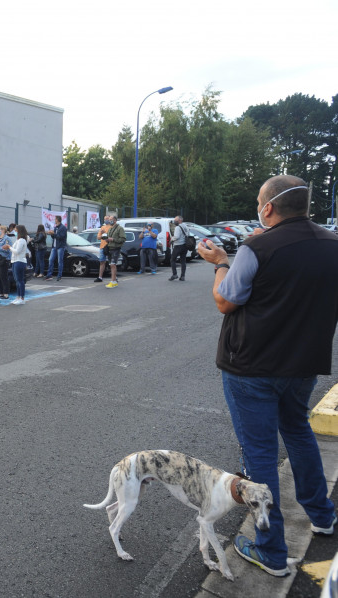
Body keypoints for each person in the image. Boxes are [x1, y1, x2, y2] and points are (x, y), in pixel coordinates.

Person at [197, 175, 338, 577]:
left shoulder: (257, 246)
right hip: (303, 364)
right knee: (297, 431)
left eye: (259, 201)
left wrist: (221, 263)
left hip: (252, 367)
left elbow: (226, 301)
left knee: (258, 455)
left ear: (269, 207)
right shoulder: (332, 244)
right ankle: (323, 515)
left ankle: (271, 551)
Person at [103, 215, 126, 288]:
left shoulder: (120, 228)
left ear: (115, 220)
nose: (109, 221)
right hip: (110, 248)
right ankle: (114, 279)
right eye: (109, 219)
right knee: (111, 265)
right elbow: (108, 238)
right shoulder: (110, 229)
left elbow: (123, 239)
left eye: (111, 219)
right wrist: (106, 239)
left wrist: (113, 239)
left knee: (113, 264)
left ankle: (113, 281)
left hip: (116, 248)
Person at [10, 224, 30, 304]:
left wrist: (9, 247)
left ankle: (21, 298)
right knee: (17, 280)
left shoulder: (22, 240)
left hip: (19, 261)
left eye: (16, 229)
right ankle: (18, 296)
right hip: (15, 261)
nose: (15, 231)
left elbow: (17, 251)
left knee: (20, 280)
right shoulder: (18, 240)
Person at [45, 216, 67, 281]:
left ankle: (59, 275)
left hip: (60, 246)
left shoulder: (63, 228)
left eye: (55, 219)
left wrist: (53, 234)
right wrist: (51, 234)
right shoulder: (55, 227)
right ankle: (49, 275)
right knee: (50, 260)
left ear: (57, 220)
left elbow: (61, 237)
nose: (54, 220)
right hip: (54, 246)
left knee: (60, 261)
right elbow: (54, 237)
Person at [169, 215, 189, 281]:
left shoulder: (177, 227)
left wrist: (171, 239)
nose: (175, 221)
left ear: (180, 220)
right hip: (185, 245)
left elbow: (176, 236)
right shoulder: (185, 226)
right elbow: (188, 234)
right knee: (183, 261)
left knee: (172, 260)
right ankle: (182, 276)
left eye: (176, 220)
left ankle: (174, 274)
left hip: (178, 245)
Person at [94, 216, 112, 283]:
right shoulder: (102, 227)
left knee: (111, 262)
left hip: (110, 246)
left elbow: (111, 236)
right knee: (102, 262)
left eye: (107, 219)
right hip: (102, 246)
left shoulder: (111, 227)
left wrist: (105, 234)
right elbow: (98, 237)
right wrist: (102, 235)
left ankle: (114, 277)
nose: (106, 220)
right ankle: (100, 277)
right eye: (105, 219)